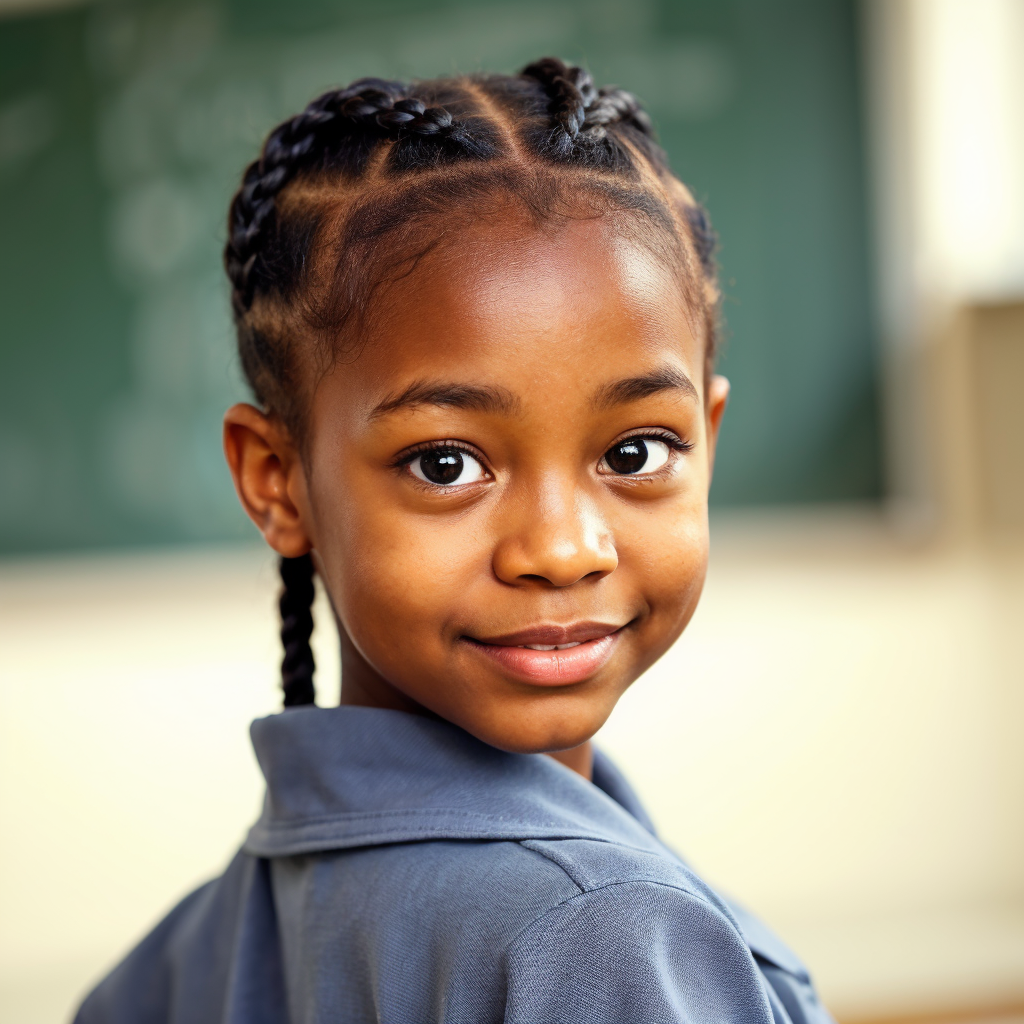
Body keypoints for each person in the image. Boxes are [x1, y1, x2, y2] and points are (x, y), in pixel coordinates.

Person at [75, 58, 833, 1023]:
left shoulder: (173, 967)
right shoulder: (601, 935)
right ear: (278, 480)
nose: (562, 550)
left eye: (636, 450)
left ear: (707, 442)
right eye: (445, 465)